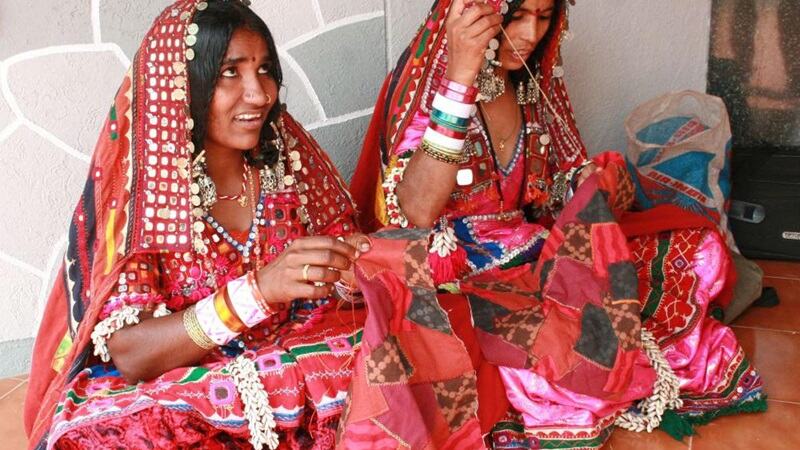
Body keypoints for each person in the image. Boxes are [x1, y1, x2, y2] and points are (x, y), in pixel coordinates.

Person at [345, 0, 766, 448]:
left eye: (544, 18)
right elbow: (415, 212)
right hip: (465, 276)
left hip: (540, 251)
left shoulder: (529, 83)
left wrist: (591, 184)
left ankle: (595, 335)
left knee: (696, 246)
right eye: (517, 16)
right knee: (546, 338)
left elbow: (559, 183)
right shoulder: (431, 84)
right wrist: (461, 79)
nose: (528, 34)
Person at [24, 1, 370, 448]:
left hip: (295, 356)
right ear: (179, 85)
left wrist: (350, 271)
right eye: (230, 72)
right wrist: (259, 292)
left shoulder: (288, 156)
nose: (260, 94)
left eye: (265, 70)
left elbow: (343, 255)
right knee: (105, 435)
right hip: (190, 381)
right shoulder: (144, 192)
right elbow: (132, 354)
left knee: (404, 354)